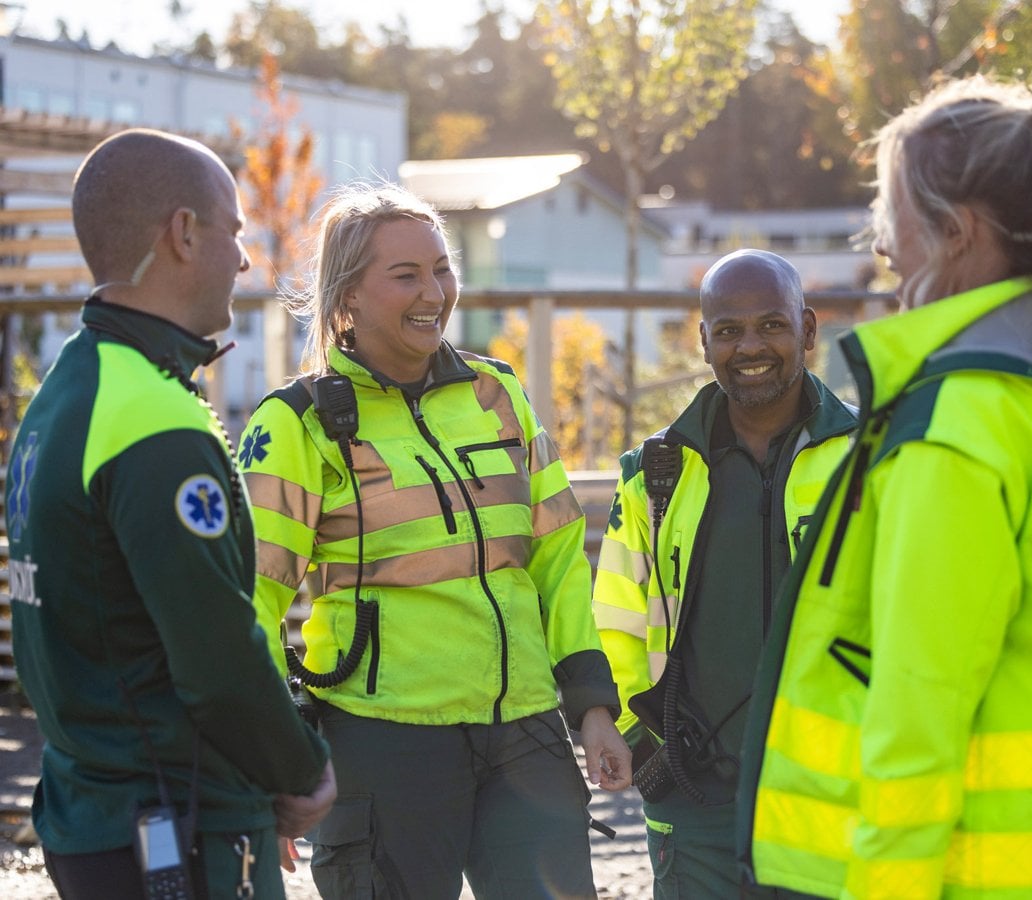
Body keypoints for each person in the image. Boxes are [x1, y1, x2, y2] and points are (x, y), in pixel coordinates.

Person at [736, 74, 1032, 899]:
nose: (882, 247)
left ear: (958, 234)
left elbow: (916, 729)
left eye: (893, 218)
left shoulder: (958, 430)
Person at [236, 182, 633, 899]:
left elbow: (558, 561)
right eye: (406, 274)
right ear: (347, 295)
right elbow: (249, 604)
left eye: (442, 268)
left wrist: (592, 707)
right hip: (383, 745)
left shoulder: (498, 394)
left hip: (525, 734)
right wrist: (274, 763)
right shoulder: (295, 423)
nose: (434, 291)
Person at [5, 128, 336, 899]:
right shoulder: (154, 420)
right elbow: (215, 651)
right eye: (235, 232)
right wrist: (300, 769)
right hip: (178, 822)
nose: (246, 259)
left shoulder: (65, 395)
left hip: (89, 812)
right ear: (184, 233)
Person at [591, 248, 857, 898]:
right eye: (730, 330)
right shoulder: (653, 476)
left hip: (830, 801)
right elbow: (617, 624)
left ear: (810, 331)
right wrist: (642, 740)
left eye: (772, 324)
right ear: (704, 340)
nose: (751, 346)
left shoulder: (870, 464)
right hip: (695, 803)